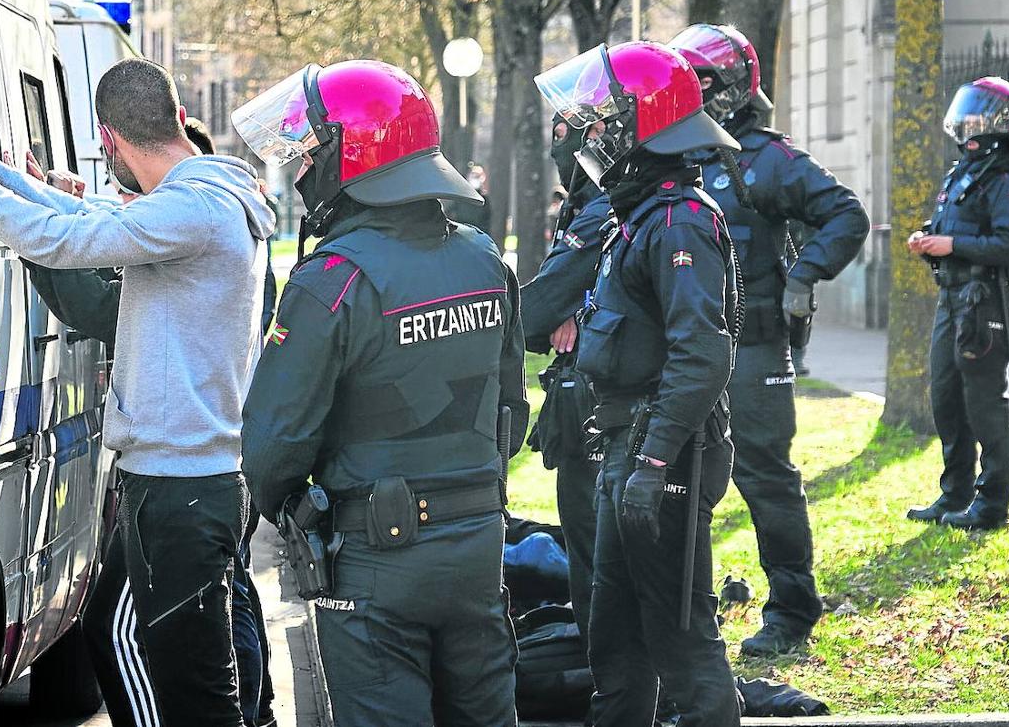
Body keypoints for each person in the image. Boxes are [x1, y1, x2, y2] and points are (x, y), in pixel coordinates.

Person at [0, 58, 274, 727]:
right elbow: (86, 213)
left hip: (180, 491)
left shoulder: (194, 209)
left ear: (108, 140)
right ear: (177, 120)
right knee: (119, 629)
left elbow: (66, 237)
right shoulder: (205, 196)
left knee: (199, 703)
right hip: (176, 484)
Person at [234, 59, 529, 726]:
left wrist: (290, 512)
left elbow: (272, 446)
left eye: (309, 154)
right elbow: (511, 408)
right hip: (478, 542)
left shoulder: (331, 281)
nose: (300, 170)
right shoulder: (485, 260)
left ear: (352, 157)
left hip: (375, 553)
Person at [16, 115, 279, 726]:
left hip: (182, 479)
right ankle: (257, 711)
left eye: (143, 201)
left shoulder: (193, 229)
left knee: (144, 643)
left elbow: (101, 306)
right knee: (212, 625)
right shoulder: (230, 220)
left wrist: (46, 233)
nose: (133, 209)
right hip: (210, 470)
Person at [535, 41, 742, 727]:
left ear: (637, 126)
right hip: (624, 442)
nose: (591, 136)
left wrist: (653, 462)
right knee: (615, 643)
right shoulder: (642, 214)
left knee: (681, 640)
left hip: (666, 449)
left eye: (602, 122)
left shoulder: (682, 220)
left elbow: (702, 354)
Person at [669, 23, 870, 656]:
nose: (688, 95)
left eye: (699, 84)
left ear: (728, 87)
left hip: (755, 348)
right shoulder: (672, 160)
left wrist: (804, 276)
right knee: (678, 475)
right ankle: (687, 606)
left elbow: (847, 213)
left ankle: (792, 611)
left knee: (766, 478)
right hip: (688, 349)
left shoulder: (767, 158)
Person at [519, 112, 613, 687]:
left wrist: (577, 313)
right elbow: (544, 316)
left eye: (570, 132)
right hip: (587, 399)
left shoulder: (604, 209)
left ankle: (614, 680)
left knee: (596, 554)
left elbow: (535, 311)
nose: (561, 144)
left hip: (602, 404)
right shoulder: (589, 205)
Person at [906, 76, 1009, 531]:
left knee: (983, 402)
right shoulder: (965, 171)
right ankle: (956, 494)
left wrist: (953, 244)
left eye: (978, 110)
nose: (968, 119)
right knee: (945, 396)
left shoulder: (1005, 175)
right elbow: (952, 224)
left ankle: (991, 505)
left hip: (984, 302)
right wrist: (928, 236)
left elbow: (1006, 242)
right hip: (952, 299)